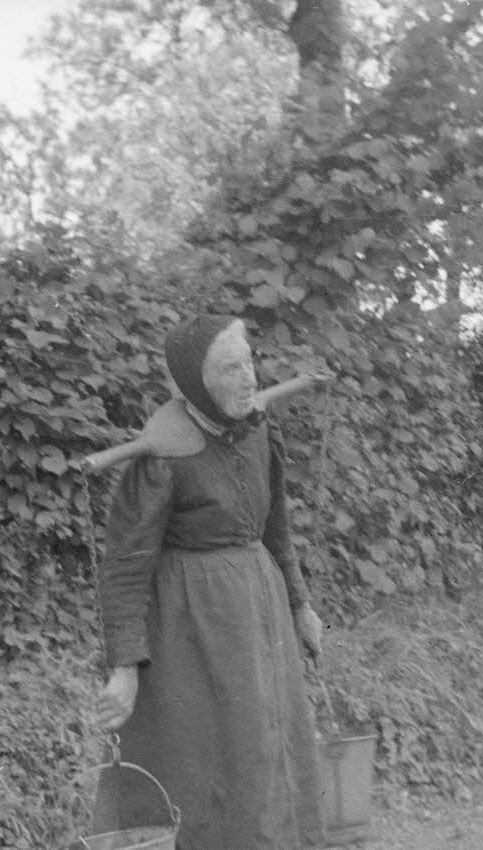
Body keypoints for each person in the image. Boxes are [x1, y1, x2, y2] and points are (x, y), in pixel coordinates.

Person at [91, 313, 326, 850]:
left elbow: (276, 529)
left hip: (259, 614)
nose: (248, 379)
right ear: (196, 381)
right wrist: (124, 668)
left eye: (249, 362)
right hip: (190, 630)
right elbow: (125, 565)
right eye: (229, 369)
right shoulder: (162, 453)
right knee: (208, 767)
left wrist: (299, 605)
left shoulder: (259, 430)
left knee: (271, 753)